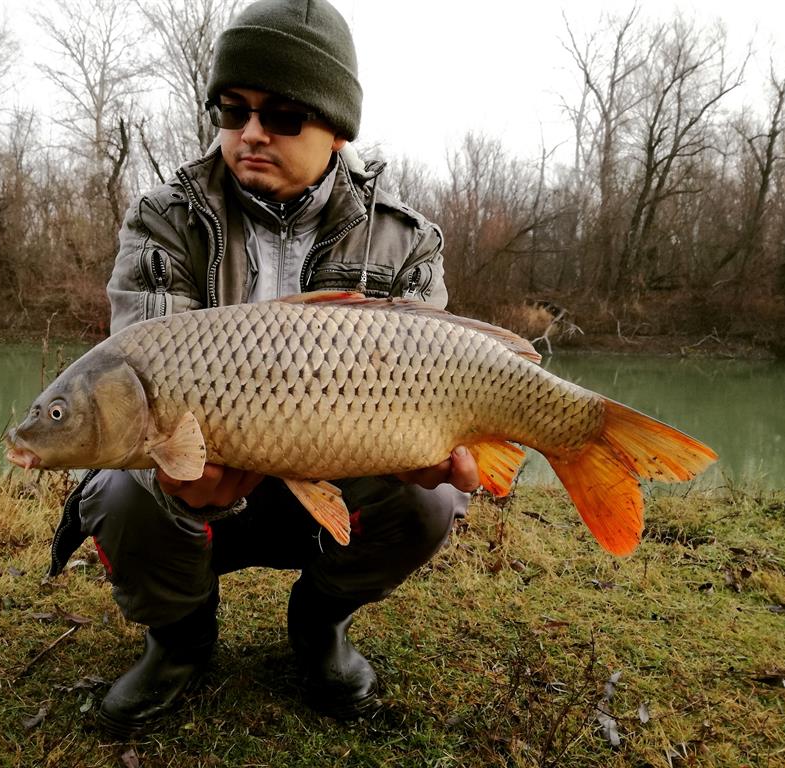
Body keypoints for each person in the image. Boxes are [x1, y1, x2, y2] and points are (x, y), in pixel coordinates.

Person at [47, 0, 479, 738]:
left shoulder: (405, 239)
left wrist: (434, 450)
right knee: (121, 486)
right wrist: (184, 481)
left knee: (432, 503)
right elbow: (141, 376)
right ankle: (179, 642)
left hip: (339, 483)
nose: (250, 132)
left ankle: (320, 627)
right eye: (233, 108)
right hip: (208, 492)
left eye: (282, 115)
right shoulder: (164, 218)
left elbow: (444, 375)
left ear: (337, 127)